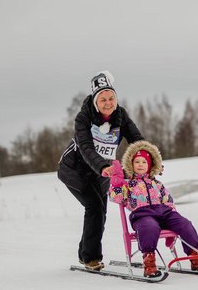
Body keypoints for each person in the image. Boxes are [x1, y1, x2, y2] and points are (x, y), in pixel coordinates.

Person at [57, 71, 144, 271]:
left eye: (111, 98)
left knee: (100, 211)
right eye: (103, 99)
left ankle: (85, 251)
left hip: (102, 171)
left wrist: (150, 159)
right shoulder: (83, 118)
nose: (108, 103)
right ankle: (91, 258)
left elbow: (137, 140)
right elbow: (86, 148)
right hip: (75, 170)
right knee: (95, 207)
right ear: (96, 101)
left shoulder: (121, 116)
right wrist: (103, 166)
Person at [105, 140, 198, 278]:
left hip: (164, 213)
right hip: (142, 215)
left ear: (150, 165)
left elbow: (168, 201)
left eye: (144, 162)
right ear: (131, 164)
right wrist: (117, 183)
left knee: (185, 224)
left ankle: (195, 258)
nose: (140, 165)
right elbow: (116, 198)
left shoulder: (157, 183)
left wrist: (173, 222)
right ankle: (149, 264)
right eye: (137, 162)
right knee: (149, 227)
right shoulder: (128, 184)